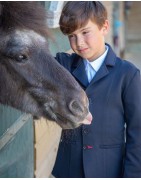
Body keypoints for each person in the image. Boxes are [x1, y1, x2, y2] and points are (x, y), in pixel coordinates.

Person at [52, 1, 141, 178]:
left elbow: (137, 133)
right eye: (71, 36)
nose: (79, 42)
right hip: (69, 169)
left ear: (104, 26)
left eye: (85, 32)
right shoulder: (64, 66)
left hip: (109, 169)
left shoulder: (128, 74)